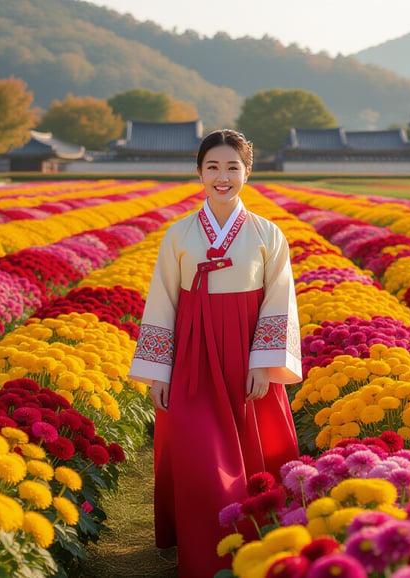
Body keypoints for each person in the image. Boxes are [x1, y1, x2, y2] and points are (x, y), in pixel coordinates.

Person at [127, 129, 302, 577]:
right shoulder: (179, 234)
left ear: (247, 171)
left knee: (253, 453)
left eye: (232, 167)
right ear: (199, 172)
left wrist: (264, 362)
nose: (222, 177)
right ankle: (206, 553)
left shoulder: (267, 233)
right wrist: (158, 372)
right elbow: (163, 301)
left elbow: (278, 300)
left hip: (246, 357)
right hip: (193, 356)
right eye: (212, 167)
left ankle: (260, 546)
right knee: (201, 456)